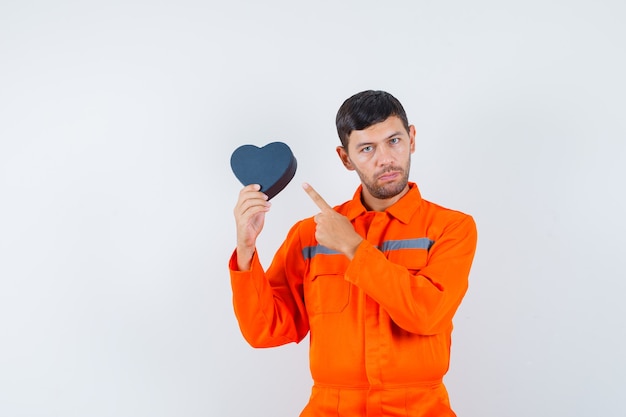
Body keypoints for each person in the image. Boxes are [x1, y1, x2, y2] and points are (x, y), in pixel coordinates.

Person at [229, 90, 477, 417]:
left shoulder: (450, 228)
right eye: (366, 148)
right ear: (345, 158)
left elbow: (427, 313)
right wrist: (246, 250)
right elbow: (268, 331)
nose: (385, 159)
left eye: (394, 141)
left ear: (412, 138)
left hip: (419, 408)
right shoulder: (310, 235)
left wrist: (353, 247)